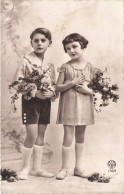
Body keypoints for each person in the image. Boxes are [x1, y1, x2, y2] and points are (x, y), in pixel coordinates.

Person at [13, 28, 57, 180]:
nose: (39, 43)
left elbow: (54, 84)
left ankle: (36, 168)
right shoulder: (26, 60)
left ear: (49, 43)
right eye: (36, 40)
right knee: (32, 134)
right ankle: (25, 168)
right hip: (30, 102)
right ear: (31, 42)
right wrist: (34, 91)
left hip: (45, 103)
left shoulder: (50, 64)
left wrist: (52, 92)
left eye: (43, 40)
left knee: (41, 135)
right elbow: (17, 83)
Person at [56, 33, 99, 180]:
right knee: (68, 136)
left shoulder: (90, 67)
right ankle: (64, 169)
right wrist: (72, 83)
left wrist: (88, 90)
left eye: (74, 46)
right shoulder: (65, 67)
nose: (72, 50)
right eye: (68, 48)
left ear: (83, 46)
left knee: (80, 136)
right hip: (68, 105)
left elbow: (99, 89)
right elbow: (57, 88)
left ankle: (78, 168)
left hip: (84, 106)